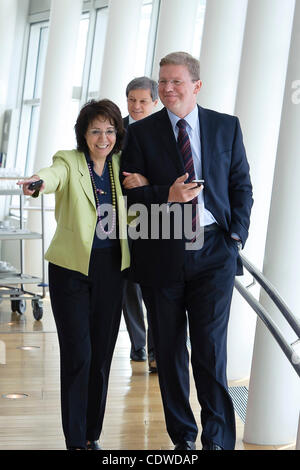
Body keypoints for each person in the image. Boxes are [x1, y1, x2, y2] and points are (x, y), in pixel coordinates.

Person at [121, 52, 253, 451]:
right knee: (171, 351)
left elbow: (241, 185)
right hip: (162, 251)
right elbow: (132, 199)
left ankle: (218, 441)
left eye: (176, 82)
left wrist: (236, 239)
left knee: (211, 352)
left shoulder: (225, 127)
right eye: (163, 82)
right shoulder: (141, 134)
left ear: (196, 85)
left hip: (214, 250)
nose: (167, 89)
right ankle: (184, 440)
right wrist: (166, 193)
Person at [18, 99, 130, 450]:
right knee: (78, 354)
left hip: (112, 269)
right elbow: (53, 176)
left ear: (117, 133)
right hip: (71, 271)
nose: (103, 137)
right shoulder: (69, 160)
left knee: (101, 356)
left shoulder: (121, 165)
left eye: (110, 130)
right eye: (96, 130)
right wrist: (37, 181)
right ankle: (75, 440)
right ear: (84, 133)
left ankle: (91, 434)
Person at [122, 77, 158, 372]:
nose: (136, 106)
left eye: (143, 101)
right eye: (132, 100)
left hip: (157, 218)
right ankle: (139, 346)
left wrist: (148, 182)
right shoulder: (114, 130)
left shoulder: (165, 131)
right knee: (127, 285)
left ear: (155, 102)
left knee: (155, 285)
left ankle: (157, 349)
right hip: (120, 215)